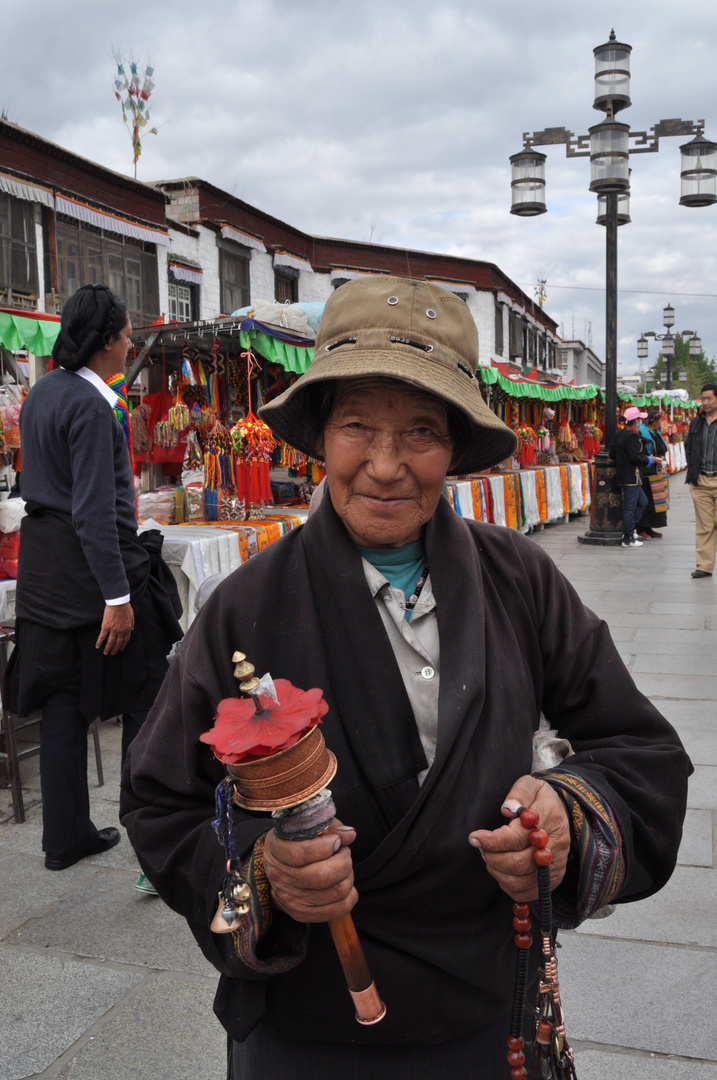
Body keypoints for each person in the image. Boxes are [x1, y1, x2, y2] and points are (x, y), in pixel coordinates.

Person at [121, 277, 690, 1080]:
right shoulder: (245, 605)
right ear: (319, 434)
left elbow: (637, 748)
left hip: (486, 1012)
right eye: (357, 425)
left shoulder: (519, 580)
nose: (385, 466)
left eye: (419, 431)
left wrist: (566, 812)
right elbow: (160, 801)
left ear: (455, 445)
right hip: (313, 1025)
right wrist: (265, 875)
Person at [5, 284, 183, 873]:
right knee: (146, 690)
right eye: (127, 333)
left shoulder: (42, 394)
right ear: (106, 340)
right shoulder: (94, 403)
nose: (131, 340)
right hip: (87, 572)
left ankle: (65, 837)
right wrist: (118, 597)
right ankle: (155, 836)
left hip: (43, 570)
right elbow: (93, 510)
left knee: (61, 705)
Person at [613, 406, 659, 548]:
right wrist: (650, 460)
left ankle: (631, 530)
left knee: (642, 502)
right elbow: (635, 457)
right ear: (636, 420)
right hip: (631, 476)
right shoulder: (631, 436)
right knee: (630, 507)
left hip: (627, 476)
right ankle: (627, 538)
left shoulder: (620, 434)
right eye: (639, 418)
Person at [685, 382, 717, 578]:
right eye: (702, 398)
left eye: (709, 398)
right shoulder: (696, 423)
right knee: (704, 526)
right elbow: (689, 447)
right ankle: (704, 566)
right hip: (701, 481)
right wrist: (692, 469)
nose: (704, 402)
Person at [636, 410, 669, 539]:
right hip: (647, 472)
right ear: (654, 422)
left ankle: (649, 527)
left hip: (658, 472)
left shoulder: (655, 433)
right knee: (647, 501)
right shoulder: (642, 434)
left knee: (656, 501)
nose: (661, 422)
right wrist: (651, 459)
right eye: (659, 420)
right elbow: (640, 453)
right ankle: (641, 527)